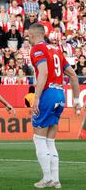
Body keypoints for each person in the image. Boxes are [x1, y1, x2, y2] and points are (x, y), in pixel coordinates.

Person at [28, 23, 80, 189]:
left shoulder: (37, 49)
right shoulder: (56, 49)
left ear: (33, 34)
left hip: (48, 94)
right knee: (50, 140)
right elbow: (72, 75)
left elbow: (43, 72)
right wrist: (77, 99)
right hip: (60, 94)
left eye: (29, 35)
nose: (28, 38)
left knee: (39, 138)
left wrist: (36, 98)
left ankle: (47, 178)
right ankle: (55, 180)